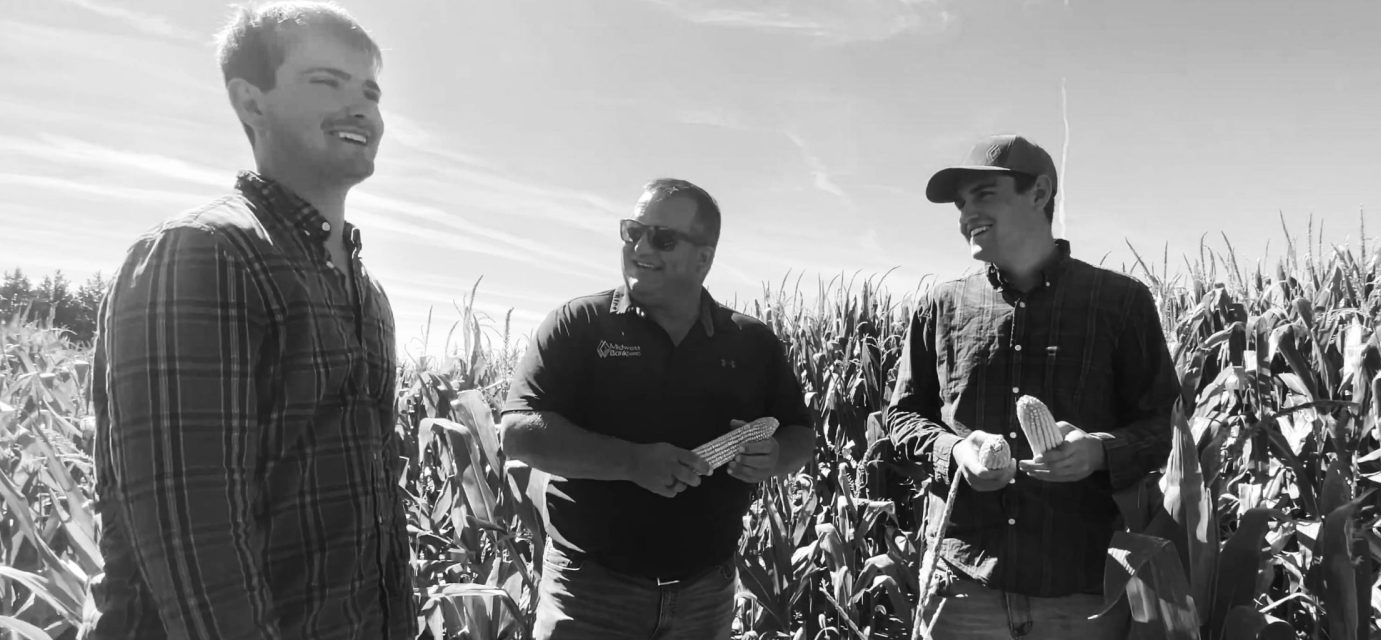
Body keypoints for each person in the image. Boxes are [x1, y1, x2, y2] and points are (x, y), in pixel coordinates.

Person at [82, 3, 413, 638]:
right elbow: (196, 544)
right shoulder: (204, 253)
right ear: (251, 103)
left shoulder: (368, 295)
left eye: (369, 91)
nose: (361, 108)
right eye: (327, 82)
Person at [886, 134, 1177, 640]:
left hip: (1082, 590)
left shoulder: (1119, 303)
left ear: (1039, 193)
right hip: (964, 585)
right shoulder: (940, 307)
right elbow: (902, 417)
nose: (965, 215)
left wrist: (1098, 452)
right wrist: (955, 452)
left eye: (984, 195)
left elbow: (1166, 427)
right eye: (960, 205)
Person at [500, 178, 815, 640]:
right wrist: (633, 462)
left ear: (703, 259)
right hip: (590, 593)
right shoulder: (580, 324)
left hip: (706, 594)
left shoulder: (752, 343)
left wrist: (774, 457)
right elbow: (520, 431)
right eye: (632, 232)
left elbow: (799, 435)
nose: (640, 247)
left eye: (663, 238)